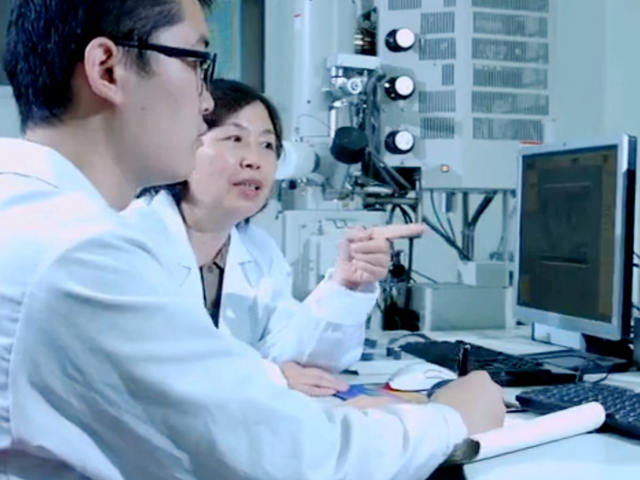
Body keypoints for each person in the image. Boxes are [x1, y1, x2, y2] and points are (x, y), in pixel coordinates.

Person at [0, 1, 505, 479]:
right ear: (108, 69)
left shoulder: (35, 214)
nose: (205, 102)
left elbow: (263, 378)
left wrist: (344, 291)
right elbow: (288, 461)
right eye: (196, 63)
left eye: (267, 145)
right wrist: (449, 418)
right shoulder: (80, 254)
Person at [126, 78, 412, 396]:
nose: (254, 160)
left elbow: (297, 359)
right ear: (181, 144)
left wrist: (346, 286)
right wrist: (270, 376)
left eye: (267, 145)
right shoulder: (129, 240)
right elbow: (151, 362)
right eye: (235, 138)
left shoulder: (258, 249)